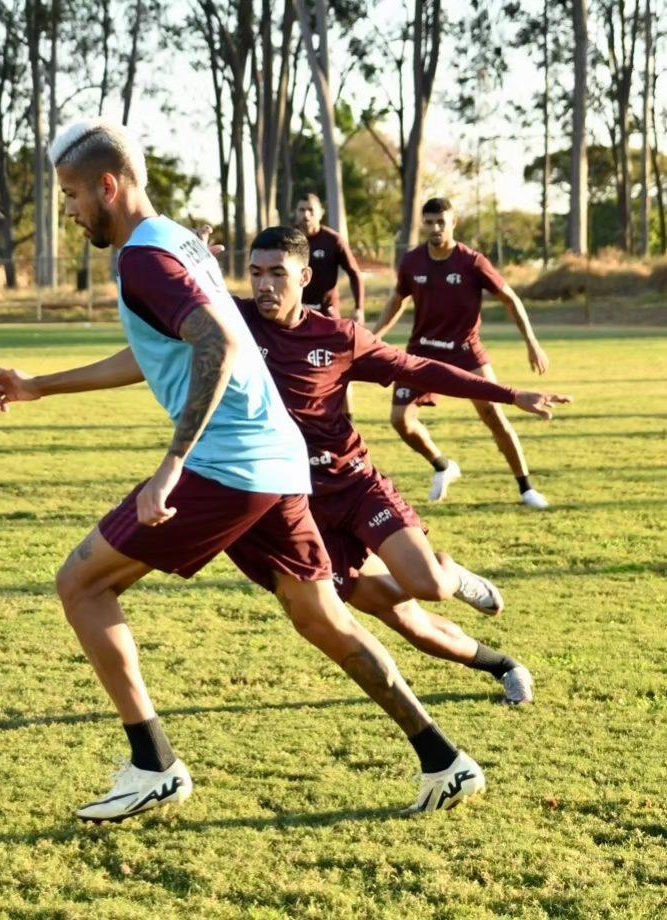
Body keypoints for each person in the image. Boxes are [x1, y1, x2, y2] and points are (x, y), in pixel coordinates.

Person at [0, 118, 486, 824]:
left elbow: (217, 343)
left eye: (72, 195)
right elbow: (167, 348)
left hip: (228, 465)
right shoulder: (175, 243)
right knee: (321, 617)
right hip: (276, 459)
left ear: (109, 184)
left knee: (80, 583)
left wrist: (171, 465)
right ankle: (443, 759)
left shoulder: (143, 260)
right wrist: (43, 385)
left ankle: (152, 765)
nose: (68, 212)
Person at [230, 226, 571, 704]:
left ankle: (451, 573)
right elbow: (161, 299)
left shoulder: (339, 336)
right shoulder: (233, 320)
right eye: (255, 273)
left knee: (429, 585)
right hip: (298, 509)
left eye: (277, 274)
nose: (264, 285)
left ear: (305, 276)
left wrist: (511, 394)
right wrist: (193, 255)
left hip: (354, 486)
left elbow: (420, 369)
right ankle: (505, 666)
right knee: (404, 617)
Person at [373, 197, 552, 509]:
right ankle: (443, 466)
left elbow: (510, 299)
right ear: (422, 224)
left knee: (493, 414)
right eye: (429, 222)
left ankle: (526, 489)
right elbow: (396, 301)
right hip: (422, 351)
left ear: (453, 223)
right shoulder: (412, 262)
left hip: (465, 351)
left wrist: (532, 342)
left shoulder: (472, 262)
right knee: (400, 419)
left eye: (441, 222)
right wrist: (374, 336)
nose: (435, 228)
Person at [294, 193, 365, 322]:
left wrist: (359, 309)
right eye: (302, 210)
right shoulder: (288, 241)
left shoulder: (333, 240)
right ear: (296, 212)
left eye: (311, 210)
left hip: (326, 311)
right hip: (296, 311)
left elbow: (354, 273)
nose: (306, 215)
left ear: (321, 213)